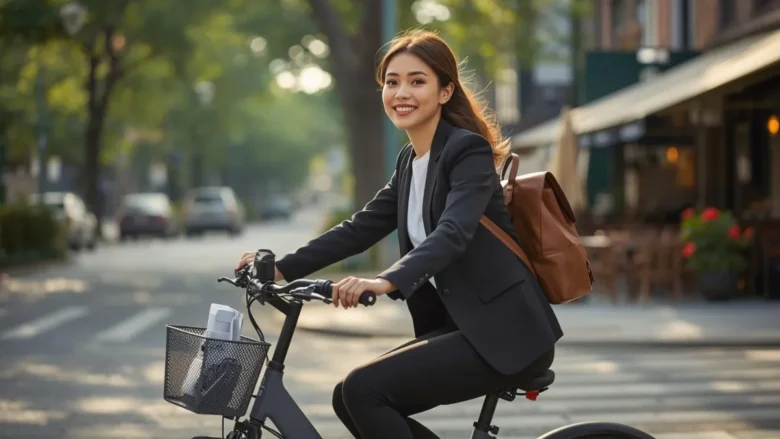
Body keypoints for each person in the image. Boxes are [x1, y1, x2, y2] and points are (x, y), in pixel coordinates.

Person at [236, 29, 563, 439]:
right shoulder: (411, 160)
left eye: (417, 81)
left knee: (363, 390)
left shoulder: (467, 153)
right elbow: (360, 228)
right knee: (347, 396)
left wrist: (385, 280)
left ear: (445, 92)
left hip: (505, 333)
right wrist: (280, 269)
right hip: (462, 329)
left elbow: (452, 232)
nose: (401, 92)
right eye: (392, 82)